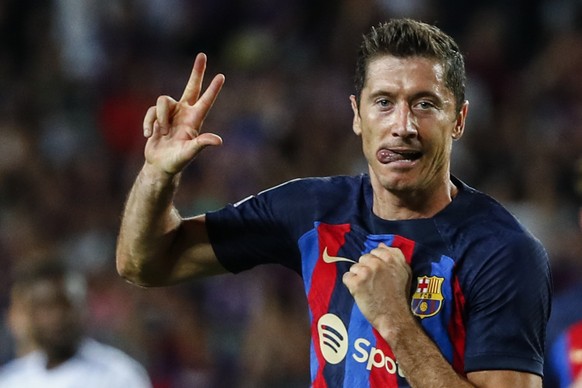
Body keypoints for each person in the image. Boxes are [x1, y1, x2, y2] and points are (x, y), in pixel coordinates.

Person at [116, 18, 552, 387]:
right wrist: (159, 172)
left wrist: (394, 322)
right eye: (383, 102)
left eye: (424, 104)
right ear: (356, 116)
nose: (403, 125)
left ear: (458, 120)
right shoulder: (313, 210)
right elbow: (144, 264)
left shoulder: (501, 252)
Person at [0, 257, 152, 388]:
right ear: (30, 315)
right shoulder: (12, 380)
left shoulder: (118, 375)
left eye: (66, 305)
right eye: (45, 307)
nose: (56, 317)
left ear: (84, 307)